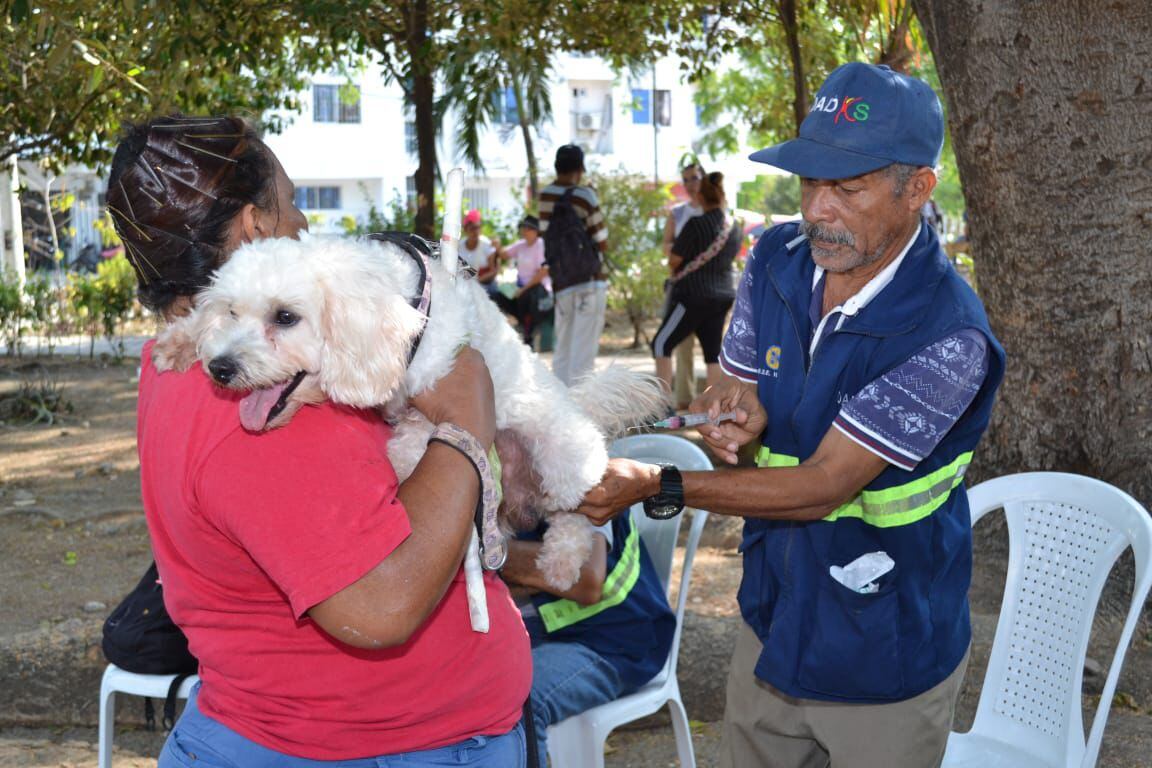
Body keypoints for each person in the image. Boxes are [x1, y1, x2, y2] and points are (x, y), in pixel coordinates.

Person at [578, 63, 1006, 768]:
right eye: (810, 182)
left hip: (886, 646)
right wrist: (729, 415)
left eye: (848, 188)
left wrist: (659, 485)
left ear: (918, 189)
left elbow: (823, 486)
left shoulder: (947, 333)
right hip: (773, 614)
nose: (817, 210)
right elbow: (733, 385)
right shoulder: (777, 259)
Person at [105, 115, 530, 767]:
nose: (304, 224)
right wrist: (464, 426)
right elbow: (381, 607)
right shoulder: (263, 402)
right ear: (255, 227)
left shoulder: (177, 364)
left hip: (290, 733)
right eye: (293, 202)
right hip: (369, 747)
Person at [501, 514, 674, 766]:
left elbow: (585, 577)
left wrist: (490, 555)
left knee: (519, 699)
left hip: (613, 640)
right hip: (532, 634)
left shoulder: (584, 489)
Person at [651, 171, 739, 395]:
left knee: (661, 344)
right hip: (723, 295)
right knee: (712, 353)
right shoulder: (734, 227)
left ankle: (663, 405)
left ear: (700, 197)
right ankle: (713, 406)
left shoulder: (695, 224)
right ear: (722, 195)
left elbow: (674, 260)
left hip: (692, 294)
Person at [538, 144, 609, 386]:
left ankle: (560, 400)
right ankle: (580, 404)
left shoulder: (545, 196)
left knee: (563, 350)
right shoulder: (585, 195)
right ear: (579, 169)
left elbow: (545, 235)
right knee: (583, 353)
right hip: (589, 281)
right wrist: (592, 197)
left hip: (562, 282)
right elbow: (602, 241)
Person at [662, 158, 706, 408]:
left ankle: (715, 401)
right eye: (686, 180)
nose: (690, 184)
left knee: (715, 349)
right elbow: (667, 246)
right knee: (683, 346)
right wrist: (683, 253)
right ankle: (684, 399)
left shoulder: (717, 211)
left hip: (712, 290)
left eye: (695, 178)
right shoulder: (678, 213)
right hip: (684, 288)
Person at [493, 215, 552, 346]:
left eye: (528, 228)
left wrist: (523, 289)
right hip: (521, 289)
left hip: (539, 290)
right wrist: (497, 246)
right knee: (497, 296)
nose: (525, 230)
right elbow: (504, 255)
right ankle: (522, 326)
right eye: (523, 227)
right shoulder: (521, 245)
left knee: (526, 297)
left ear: (536, 231)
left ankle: (529, 332)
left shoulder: (540, 244)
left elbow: (543, 272)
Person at [461, 208, 502, 297]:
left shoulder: (486, 244)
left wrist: (477, 281)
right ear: (465, 230)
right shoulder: (460, 245)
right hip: (466, 284)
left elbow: (494, 271)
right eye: (472, 228)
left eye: (478, 228)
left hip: (486, 285)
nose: (476, 232)